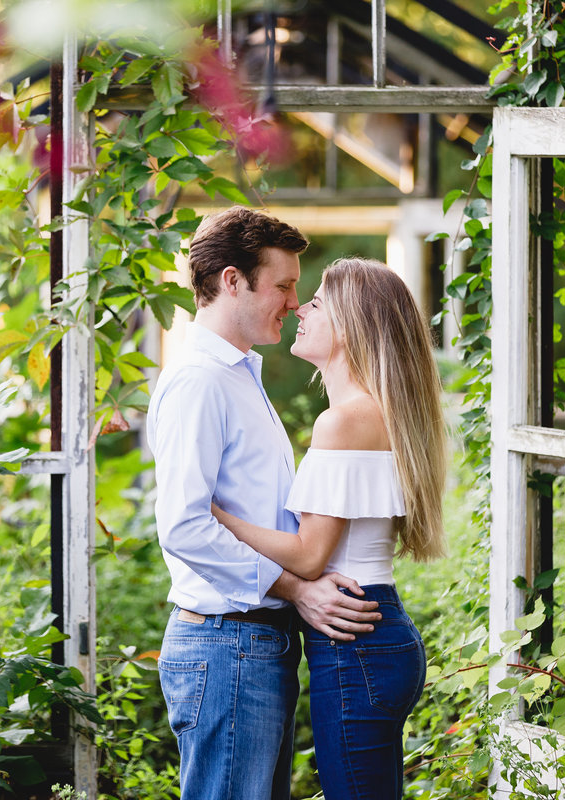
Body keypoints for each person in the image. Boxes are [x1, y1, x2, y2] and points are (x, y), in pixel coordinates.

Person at [146, 208, 382, 800]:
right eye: (282, 285)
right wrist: (297, 589)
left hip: (251, 645)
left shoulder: (239, 376)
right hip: (226, 643)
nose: (295, 302)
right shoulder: (201, 381)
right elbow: (184, 527)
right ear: (232, 280)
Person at [212, 257, 447, 800]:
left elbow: (309, 556)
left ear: (351, 324)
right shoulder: (373, 412)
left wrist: (216, 515)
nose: (300, 306)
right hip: (374, 632)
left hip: (355, 641)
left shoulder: (343, 421)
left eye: (316, 301)